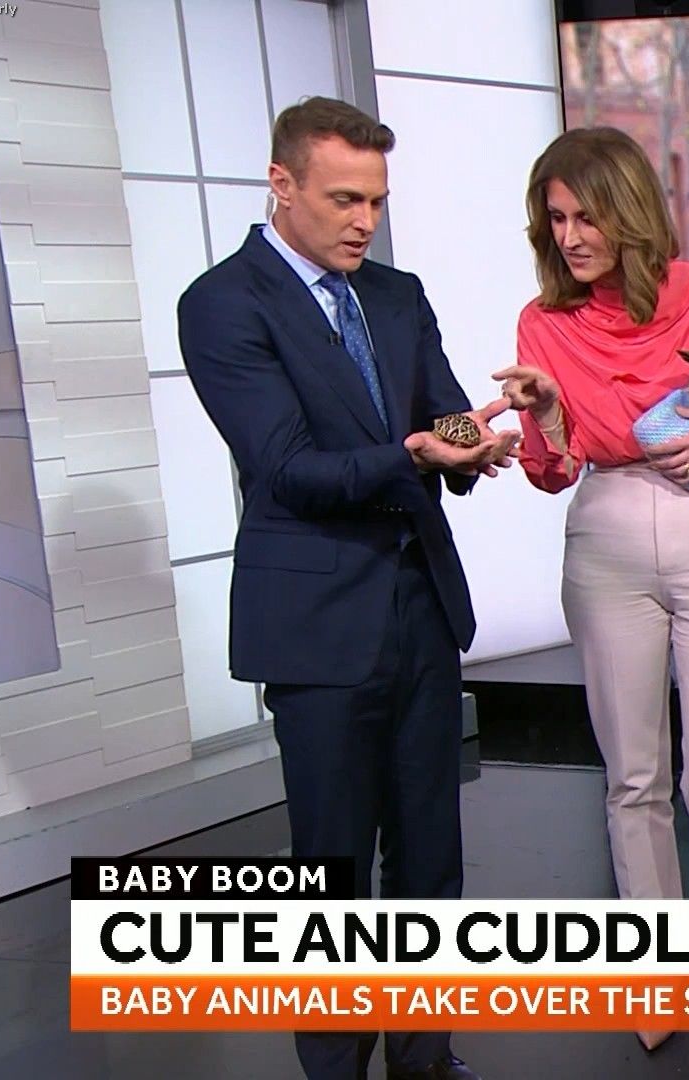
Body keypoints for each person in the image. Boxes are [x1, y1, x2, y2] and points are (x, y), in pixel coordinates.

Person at [177, 97, 516, 1080]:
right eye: (343, 200)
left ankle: (426, 1057)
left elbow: (442, 419)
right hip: (316, 624)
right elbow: (287, 469)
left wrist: (485, 431)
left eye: (376, 201)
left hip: (421, 609)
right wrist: (414, 454)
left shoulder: (397, 295)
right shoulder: (223, 303)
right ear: (281, 185)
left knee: (430, 860)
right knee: (330, 874)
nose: (365, 221)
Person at [492, 126, 689, 1074]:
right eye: (556, 219)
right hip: (608, 530)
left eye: (587, 216)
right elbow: (552, 471)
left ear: (629, 212)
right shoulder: (543, 323)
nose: (571, 236)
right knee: (632, 777)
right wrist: (546, 413)